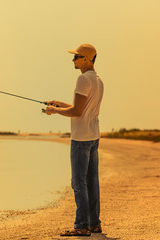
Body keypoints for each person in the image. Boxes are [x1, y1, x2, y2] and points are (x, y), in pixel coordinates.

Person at [44, 43, 104, 237]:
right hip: (93, 136)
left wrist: (54, 110)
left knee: (78, 184)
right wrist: (60, 104)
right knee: (91, 182)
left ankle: (81, 226)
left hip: (81, 139)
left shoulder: (82, 80)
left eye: (76, 57)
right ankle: (94, 224)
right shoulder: (98, 80)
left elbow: (77, 112)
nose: (73, 60)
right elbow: (82, 108)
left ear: (86, 59)